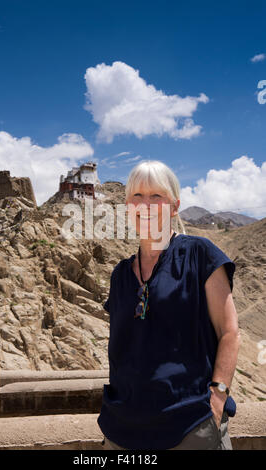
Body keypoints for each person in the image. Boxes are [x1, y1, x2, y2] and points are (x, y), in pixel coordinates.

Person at [97, 160, 240, 450]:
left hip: (189, 426)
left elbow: (229, 332)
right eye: (137, 196)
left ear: (174, 207)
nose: (146, 205)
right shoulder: (120, 275)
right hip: (123, 430)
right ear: (128, 207)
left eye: (156, 197)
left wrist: (217, 398)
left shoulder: (200, 255)